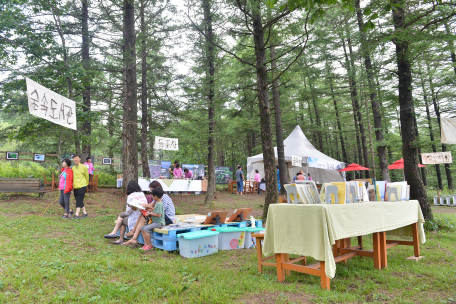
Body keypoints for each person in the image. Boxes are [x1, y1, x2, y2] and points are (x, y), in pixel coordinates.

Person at [71, 154, 89, 219]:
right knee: (79, 200)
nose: (76, 159)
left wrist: (86, 184)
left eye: (77, 158)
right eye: (74, 158)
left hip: (82, 185)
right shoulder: (73, 168)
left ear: (80, 159)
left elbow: (87, 176)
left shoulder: (84, 167)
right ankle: (85, 213)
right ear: (73, 159)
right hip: (75, 186)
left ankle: (76, 215)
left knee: (78, 200)